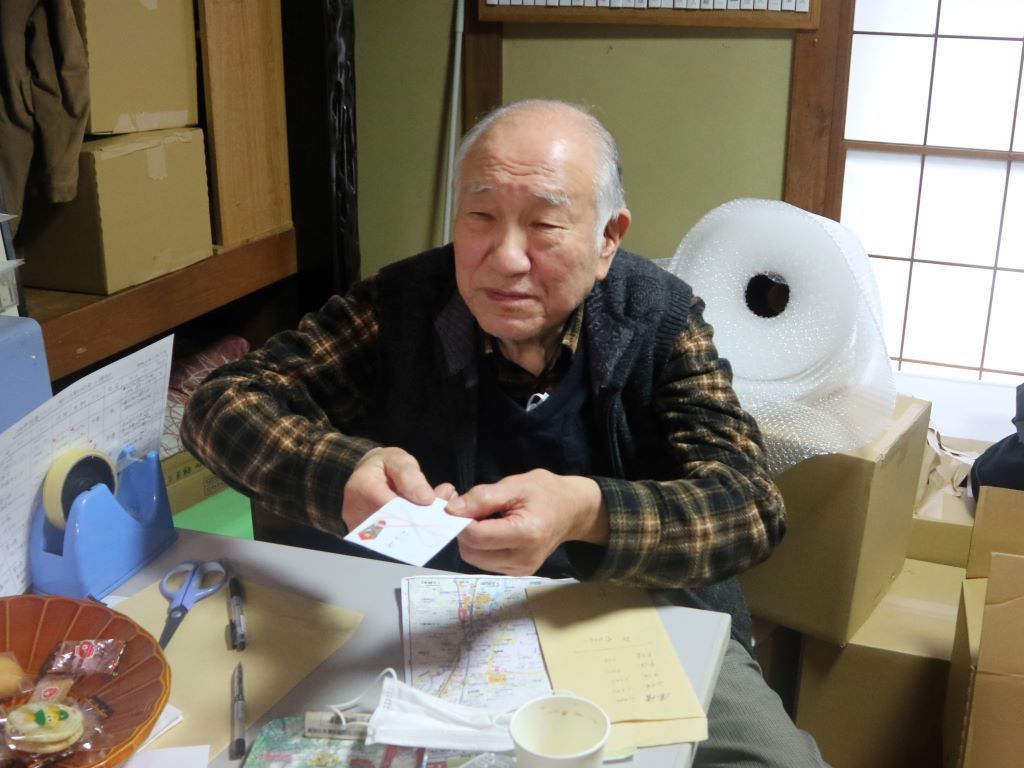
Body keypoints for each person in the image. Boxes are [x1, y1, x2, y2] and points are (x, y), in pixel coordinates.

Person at [181, 99, 827, 767]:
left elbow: (749, 504)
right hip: (438, 614)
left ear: (607, 238)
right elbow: (220, 406)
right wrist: (342, 473)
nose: (506, 258)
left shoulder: (658, 317)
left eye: (545, 224)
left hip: (628, 613)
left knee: (776, 761)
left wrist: (588, 511)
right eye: (480, 217)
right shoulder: (403, 305)